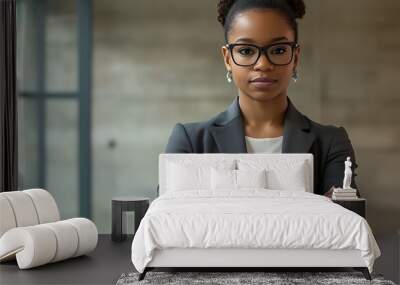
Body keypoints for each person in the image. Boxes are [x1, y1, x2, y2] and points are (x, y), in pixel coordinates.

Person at [162, 0, 359, 197]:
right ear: (228, 59)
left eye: (279, 50)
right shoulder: (190, 142)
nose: (263, 64)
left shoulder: (331, 143)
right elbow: (169, 219)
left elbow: (342, 222)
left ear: (296, 57)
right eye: (246, 51)